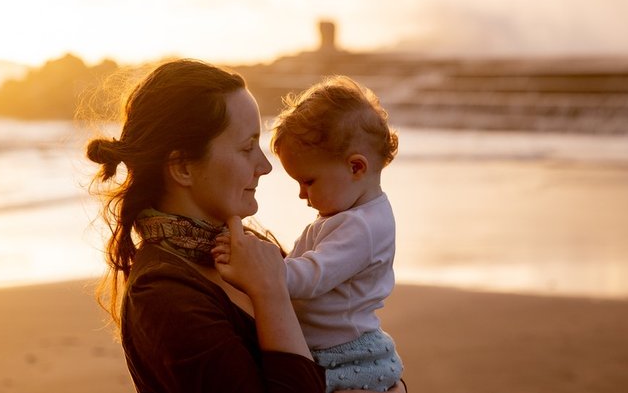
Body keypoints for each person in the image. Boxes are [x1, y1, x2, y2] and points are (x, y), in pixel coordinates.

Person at [86, 59, 406, 393]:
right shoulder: (164, 297)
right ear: (182, 167)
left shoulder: (242, 244)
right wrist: (270, 294)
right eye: (246, 147)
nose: (265, 166)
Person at [269, 76, 404, 392]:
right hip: (333, 346)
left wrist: (265, 271)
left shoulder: (363, 227)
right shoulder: (348, 215)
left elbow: (314, 275)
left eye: (309, 181)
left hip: (345, 354)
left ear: (356, 167)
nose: (302, 194)